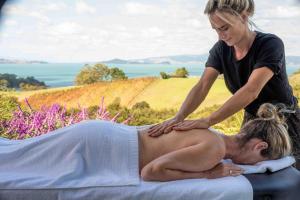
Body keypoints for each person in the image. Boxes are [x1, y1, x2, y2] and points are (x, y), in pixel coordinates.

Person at [147, 0, 300, 169]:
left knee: (292, 176)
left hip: (285, 122)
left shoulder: (270, 44)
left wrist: (208, 120)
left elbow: (251, 90)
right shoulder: (221, 49)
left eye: (225, 28)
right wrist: (179, 117)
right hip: (253, 122)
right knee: (249, 173)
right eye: (216, 30)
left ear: (243, 16)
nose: (221, 36)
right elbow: (203, 85)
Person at [0, 103, 292, 183]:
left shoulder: (212, 135)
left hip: (103, 135)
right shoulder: (214, 151)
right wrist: (208, 174)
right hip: (103, 148)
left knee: (17, 154)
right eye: (263, 162)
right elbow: (150, 172)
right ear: (259, 147)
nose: (258, 166)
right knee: (14, 162)